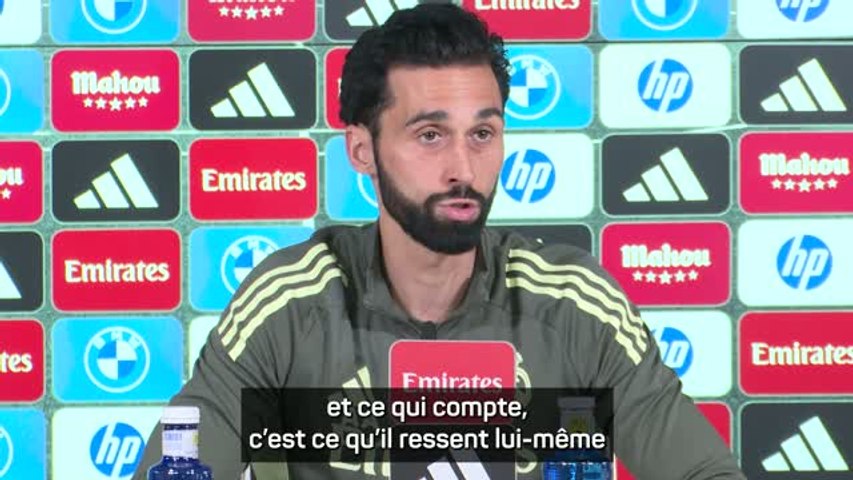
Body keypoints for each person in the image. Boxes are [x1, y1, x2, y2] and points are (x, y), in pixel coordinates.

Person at [132, 4, 746, 480]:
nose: (463, 168)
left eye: (483, 133)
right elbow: (185, 458)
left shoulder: (573, 302)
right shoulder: (289, 302)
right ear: (362, 150)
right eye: (430, 135)